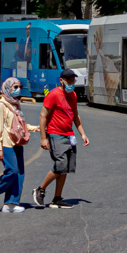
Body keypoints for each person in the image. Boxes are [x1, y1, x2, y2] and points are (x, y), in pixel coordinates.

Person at [32, 70, 89, 209]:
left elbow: (75, 116)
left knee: (67, 167)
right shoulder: (53, 95)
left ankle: (57, 199)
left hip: (69, 135)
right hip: (55, 133)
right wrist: (43, 139)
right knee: (61, 164)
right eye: (69, 80)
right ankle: (40, 189)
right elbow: (43, 116)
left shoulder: (73, 95)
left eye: (73, 81)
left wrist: (82, 134)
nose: (71, 83)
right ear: (61, 80)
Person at [0, 76, 40, 213]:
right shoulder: (1, 105)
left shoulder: (15, 104)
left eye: (20, 87)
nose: (18, 90)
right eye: (15, 87)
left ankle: (11, 203)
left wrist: (34, 128)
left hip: (17, 142)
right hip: (6, 144)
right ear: (8, 88)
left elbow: (19, 125)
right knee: (12, 171)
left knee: (19, 173)